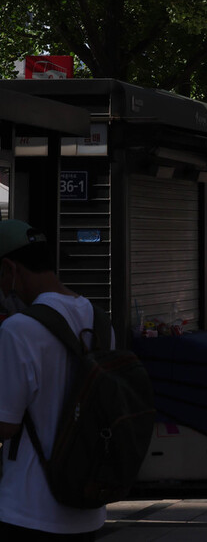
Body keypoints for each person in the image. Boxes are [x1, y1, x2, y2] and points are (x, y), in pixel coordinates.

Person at [0, 220, 108, 537]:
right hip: (89, 507)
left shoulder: (18, 329)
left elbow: (5, 424)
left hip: (28, 509)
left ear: (10, 268)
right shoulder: (100, 322)